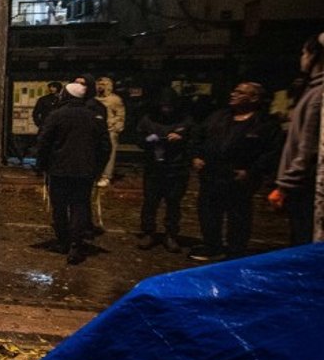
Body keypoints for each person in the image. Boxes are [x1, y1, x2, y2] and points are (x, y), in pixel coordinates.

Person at [188, 82, 282, 261]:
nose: (233, 94)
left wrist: (252, 171)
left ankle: (235, 252)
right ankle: (212, 246)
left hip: (239, 179)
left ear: (254, 98)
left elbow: (271, 152)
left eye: (239, 92)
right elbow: (197, 136)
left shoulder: (264, 123)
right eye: (234, 90)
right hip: (212, 175)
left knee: (238, 217)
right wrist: (195, 156)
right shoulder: (218, 116)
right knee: (208, 214)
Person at [36, 80, 112, 263]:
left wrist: (41, 165)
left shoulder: (57, 115)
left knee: (60, 207)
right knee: (79, 206)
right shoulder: (93, 116)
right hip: (85, 171)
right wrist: (98, 168)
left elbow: (44, 142)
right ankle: (76, 246)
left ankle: (63, 241)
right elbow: (105, 146)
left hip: (59, 169)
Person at [268, 31, 323, 245]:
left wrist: (283, 186)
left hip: (305, 187)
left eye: (304, 53)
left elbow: (309, 150)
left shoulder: (319, 94)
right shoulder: (312, 90)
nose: (302, 57)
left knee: (303, 240)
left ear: (315, 56)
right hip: (302, 186)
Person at [135, 88, 192, 251]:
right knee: (150, 202)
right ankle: (148, 232)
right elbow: (139, 139)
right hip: (154, 167)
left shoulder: (184, 120)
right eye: (163, 106)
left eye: (169, 106)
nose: (166, 109)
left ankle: (171, 234)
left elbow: (195, 139)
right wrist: (149, 140)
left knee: (173, 203)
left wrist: (181, 138)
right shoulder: (148, 120)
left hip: (176, 167)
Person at [95, 76, 126, 186]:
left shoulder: (115, 99)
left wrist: (116, 127)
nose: (100, 86)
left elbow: (120, 115)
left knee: (110, 152)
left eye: (103, 84)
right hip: (95, 129)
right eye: (99, 84)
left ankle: (106, 175)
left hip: (109, 129)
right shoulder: (93, 99)